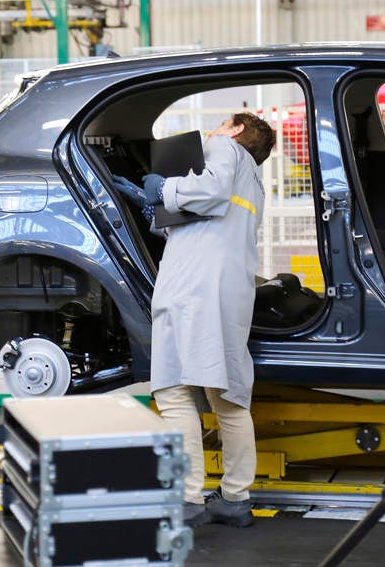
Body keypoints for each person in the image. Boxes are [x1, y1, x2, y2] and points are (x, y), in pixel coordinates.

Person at [113, 112, 275, 528]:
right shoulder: (253, 182)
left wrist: (164, 186)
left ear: (237, 131)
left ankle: (187, 498)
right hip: (228, 291)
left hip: (192, 291)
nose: (214, 130)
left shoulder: (224, 150)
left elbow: (211, 189)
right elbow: (204, 222)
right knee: (228, 399)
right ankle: (235, 499)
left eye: (223, 123)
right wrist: (153, 205)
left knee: (172, 391)